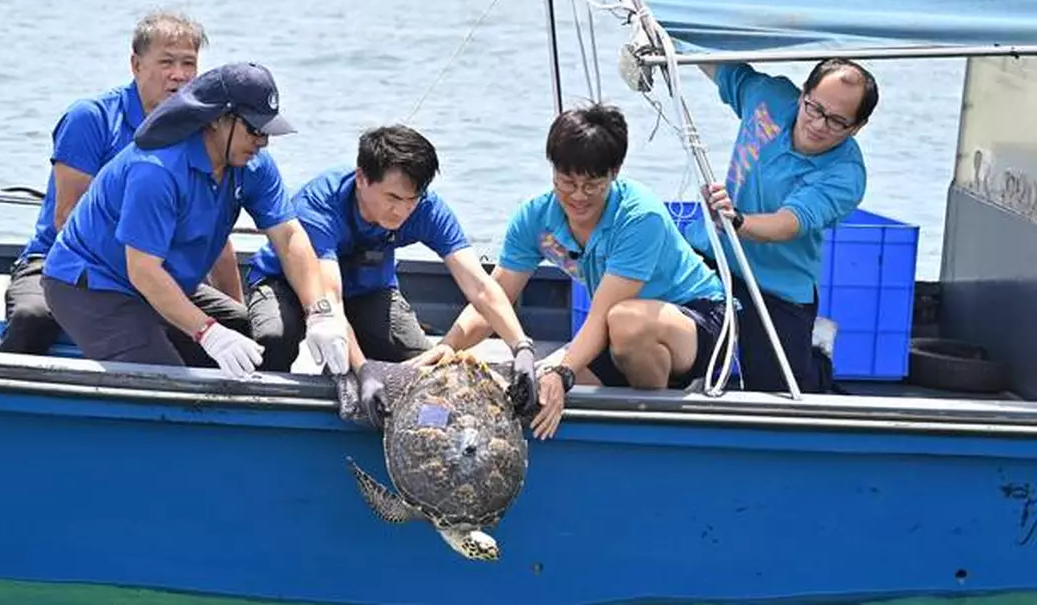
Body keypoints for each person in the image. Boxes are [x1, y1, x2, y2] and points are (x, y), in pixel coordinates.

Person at [425, 103, 728, 440]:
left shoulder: (640, 216)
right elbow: (493, 297)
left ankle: (653, 427)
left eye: (592, 185)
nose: (578, 197)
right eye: (567, 182)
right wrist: (450, 346)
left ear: (615, 172)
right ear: (552, 170)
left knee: (624, 321)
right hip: (615, 335)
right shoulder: (536, 218)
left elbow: (601, 315)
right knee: (527, 391)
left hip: (696, 320)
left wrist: (563, 372)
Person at [40, 62, 349, 377]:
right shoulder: (157, 170)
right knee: (165, 379)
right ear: (216, 119)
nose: (263, 142)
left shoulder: (253, 165)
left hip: (167, 280)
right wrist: (208, 332)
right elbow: (143, 271)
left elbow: (289, 237)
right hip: (94, 284)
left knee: (261, 343)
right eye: (254, 129)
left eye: (267, 131)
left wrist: (320, 312)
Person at [0, 11, 248, 368]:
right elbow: (66, 217)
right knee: (33, 317)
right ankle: (5, 399)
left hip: (155, 267)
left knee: (242, 324)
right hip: (68, 263)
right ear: (136, 64)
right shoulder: (92, 118)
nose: (179, 75)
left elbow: (211, 229)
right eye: (166, 62)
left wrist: (233, 303)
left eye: (188, 63)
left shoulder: (203, 133)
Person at [244, 124, 536, 404]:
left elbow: (481, 286)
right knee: (275, 337)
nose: (402, 211)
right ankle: (265, 407)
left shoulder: (426, 209)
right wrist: (362, 370)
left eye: (413, 199)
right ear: (361, 178)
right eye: (393, 198)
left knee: (425, 367)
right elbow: (329, 299)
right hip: (288, 284)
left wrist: (521, 346)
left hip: (367, 293)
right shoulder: (320, 205)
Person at [685, 57, 878, 393]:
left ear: (857, 127)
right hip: (711, 254)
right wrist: (666, 35)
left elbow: (789, 223)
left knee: (778, 391)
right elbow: (716, 65)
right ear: (803, 93)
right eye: (814, 108)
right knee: (677, 348)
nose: (818, 125)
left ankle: (816, 353)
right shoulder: (768, 97)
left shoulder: (846, 174)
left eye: (836, 121)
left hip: (779, 284)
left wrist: (738, 221)